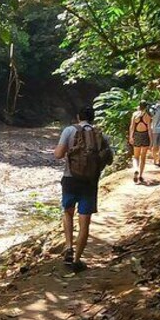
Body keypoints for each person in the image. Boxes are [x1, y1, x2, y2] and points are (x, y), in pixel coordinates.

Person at [54, 105, 111, 271]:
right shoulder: (100, 134)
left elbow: (58, 154)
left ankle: (68, 246)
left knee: (68, 212)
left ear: (78, 117)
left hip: (70, 179)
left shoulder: (69, 131)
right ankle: (77, 260)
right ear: (93, 118)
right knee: (84, 222)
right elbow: (108, 159)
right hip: (90, 182)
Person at [129, 101, 152, 184]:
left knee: (136, 156)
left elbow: (132, 127)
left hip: (137, 135)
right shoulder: (148, 116)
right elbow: (149, 129)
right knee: (143, 157)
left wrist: (131, 137)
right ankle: (141, 175)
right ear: (146, 107)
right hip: (145, 135)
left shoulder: (135, 114)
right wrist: (151, 140)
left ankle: (136, 169)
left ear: (139, 106)